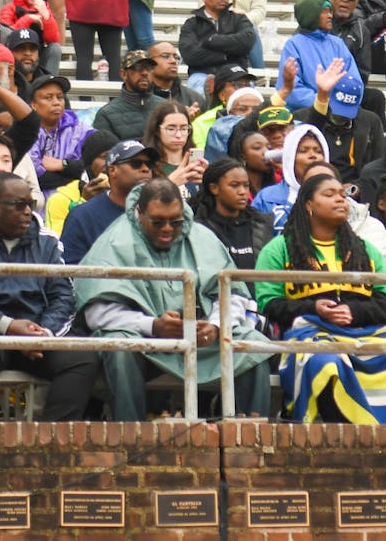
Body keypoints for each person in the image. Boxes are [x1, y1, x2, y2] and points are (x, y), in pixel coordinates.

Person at [79, 178, 272, 420]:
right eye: (157, 222)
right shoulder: (113, 241)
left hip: (202, 341)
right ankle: (130, 437)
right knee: (119, 347)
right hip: (145, 343)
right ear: (140, 213)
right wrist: (153, 326)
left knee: (252, 345)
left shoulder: (203, 237)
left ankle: (250, 441)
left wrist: (215, 325)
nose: (168, 228)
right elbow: (97, 313)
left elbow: (234, 294)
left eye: (176, 221)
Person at [255, 172, 386, 424]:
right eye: (329, 195)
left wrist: (354, 312)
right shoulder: (279, 248)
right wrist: (315, 308)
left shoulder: (365, 249)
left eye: (342, 195)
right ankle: (352, 438)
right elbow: (269, 302)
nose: (340, 200)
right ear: (308, 204)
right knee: (326, 363)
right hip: (311, 332)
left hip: (367, 331)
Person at [0, 173, 98, 420]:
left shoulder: (48, 241)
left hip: (34, 339)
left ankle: (47, 444)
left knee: (83, 358)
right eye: (19, 205)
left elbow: (63, 297)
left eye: (30, 204)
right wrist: (7, 326)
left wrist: (43, 334)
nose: (28, 212)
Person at [60, 140, 155, 264]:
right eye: (136, 163)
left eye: (149, 164)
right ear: (112, 170)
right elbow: (69, 272)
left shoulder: (161, 212)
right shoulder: (83, 216)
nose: (145, 169)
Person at [192, 158, 273, 271]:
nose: (242, 192)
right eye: (235, 185)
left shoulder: (261, 224)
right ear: (214, 188)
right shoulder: (199, 229)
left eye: (246, 185)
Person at [93, 51, 166, 141]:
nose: (145, 73)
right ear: (124, 74)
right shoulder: (106, 114)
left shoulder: (165, 108)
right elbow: (104, 152)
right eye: (138, 68)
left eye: (149, 68)